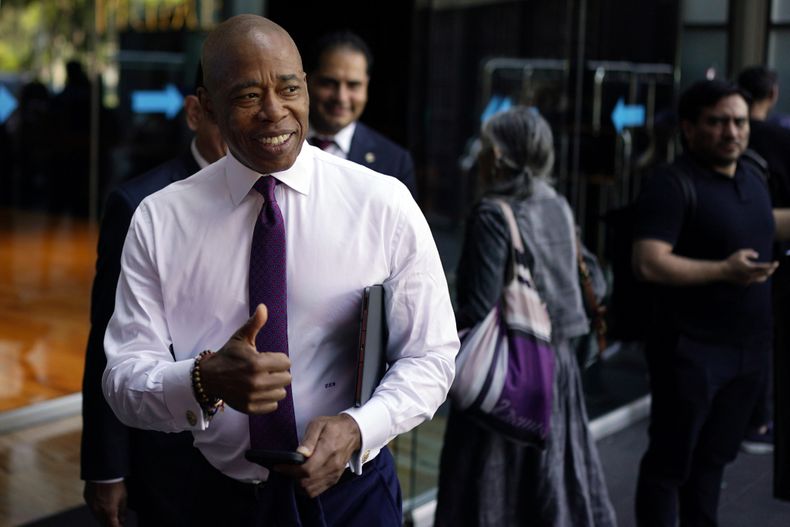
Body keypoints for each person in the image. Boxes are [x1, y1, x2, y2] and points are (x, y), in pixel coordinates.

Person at [102, 14, 458, 527]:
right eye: (248, 96)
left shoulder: (382, 202)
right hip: (213, 499)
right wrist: (202, 379)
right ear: (207, 107)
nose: (275, 112)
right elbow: (122, 380)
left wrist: (360, 428)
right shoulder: (159, 220)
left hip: (353, 496)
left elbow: (432, 354)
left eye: (289, 88)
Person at [434, 106, 617, 527]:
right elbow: (597, 284)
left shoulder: (492, 215)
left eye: (483, 146)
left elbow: (476, 311)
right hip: (559, 371)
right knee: (550, 489)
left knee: (491, 492)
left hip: (509, 373)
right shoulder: (556, 204)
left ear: (496, 156)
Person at [632, 79, 790, 526]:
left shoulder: (753, 175)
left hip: (749, 351)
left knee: (713, 463)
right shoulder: (672, 183)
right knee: (670, 466)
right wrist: (724, 270)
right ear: (689, 127)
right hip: (691, 352)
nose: (732, 132)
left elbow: (767, 222)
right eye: (717, 122)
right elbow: (648, 262)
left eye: (739, 121)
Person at [81, 65, 226, 527]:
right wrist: (107, 469)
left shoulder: (280, 193)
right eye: (231, 108)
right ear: (195, 113)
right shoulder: (141, 204)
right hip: (172, 453)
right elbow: (108, 342)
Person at [737, 65, 790, 497]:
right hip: (768, 254)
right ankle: (753, 419)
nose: (731, 133)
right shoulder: (779, 140)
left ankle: (749, 417)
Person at [305, 30, 418, 197]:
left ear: (367, 85)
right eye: (329, 83)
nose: (341, 97)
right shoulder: (275, 143)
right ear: (307, 81)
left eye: (353, 85)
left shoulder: (394, 162)